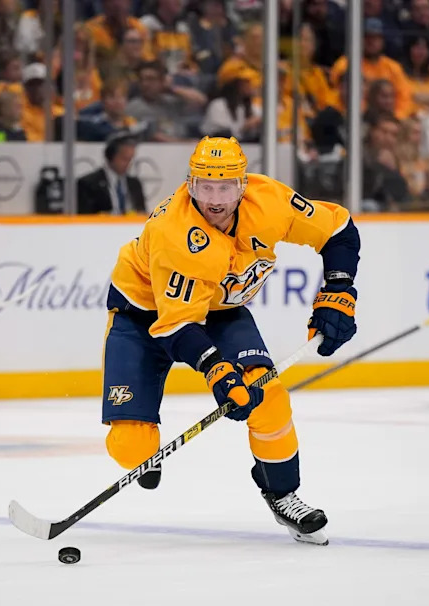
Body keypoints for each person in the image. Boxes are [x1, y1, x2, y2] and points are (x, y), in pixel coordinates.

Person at [101, 137, 360, 545]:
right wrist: (218, 371)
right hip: (142, 314)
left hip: (220, 309)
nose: (215, 199)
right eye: (206, 187)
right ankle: (140, 449)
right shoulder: (174, 233)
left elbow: (339, 230)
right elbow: (175, 326)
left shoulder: (269, 201)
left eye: (225, 188)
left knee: (266, 393)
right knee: (131, 446)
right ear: (190, 185)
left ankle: (283, 493)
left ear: (243, 185)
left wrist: (339, 290)